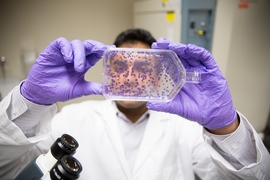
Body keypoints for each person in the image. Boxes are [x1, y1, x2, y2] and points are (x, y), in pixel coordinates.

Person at [0, 28, 269, 180]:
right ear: (108, 70)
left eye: (142, 67)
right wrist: (31, 101)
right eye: (120, 66)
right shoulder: (70, 118)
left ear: (157, 74)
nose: (130, 76)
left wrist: (226, 128)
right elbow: (8, 171)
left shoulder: (185, 127)